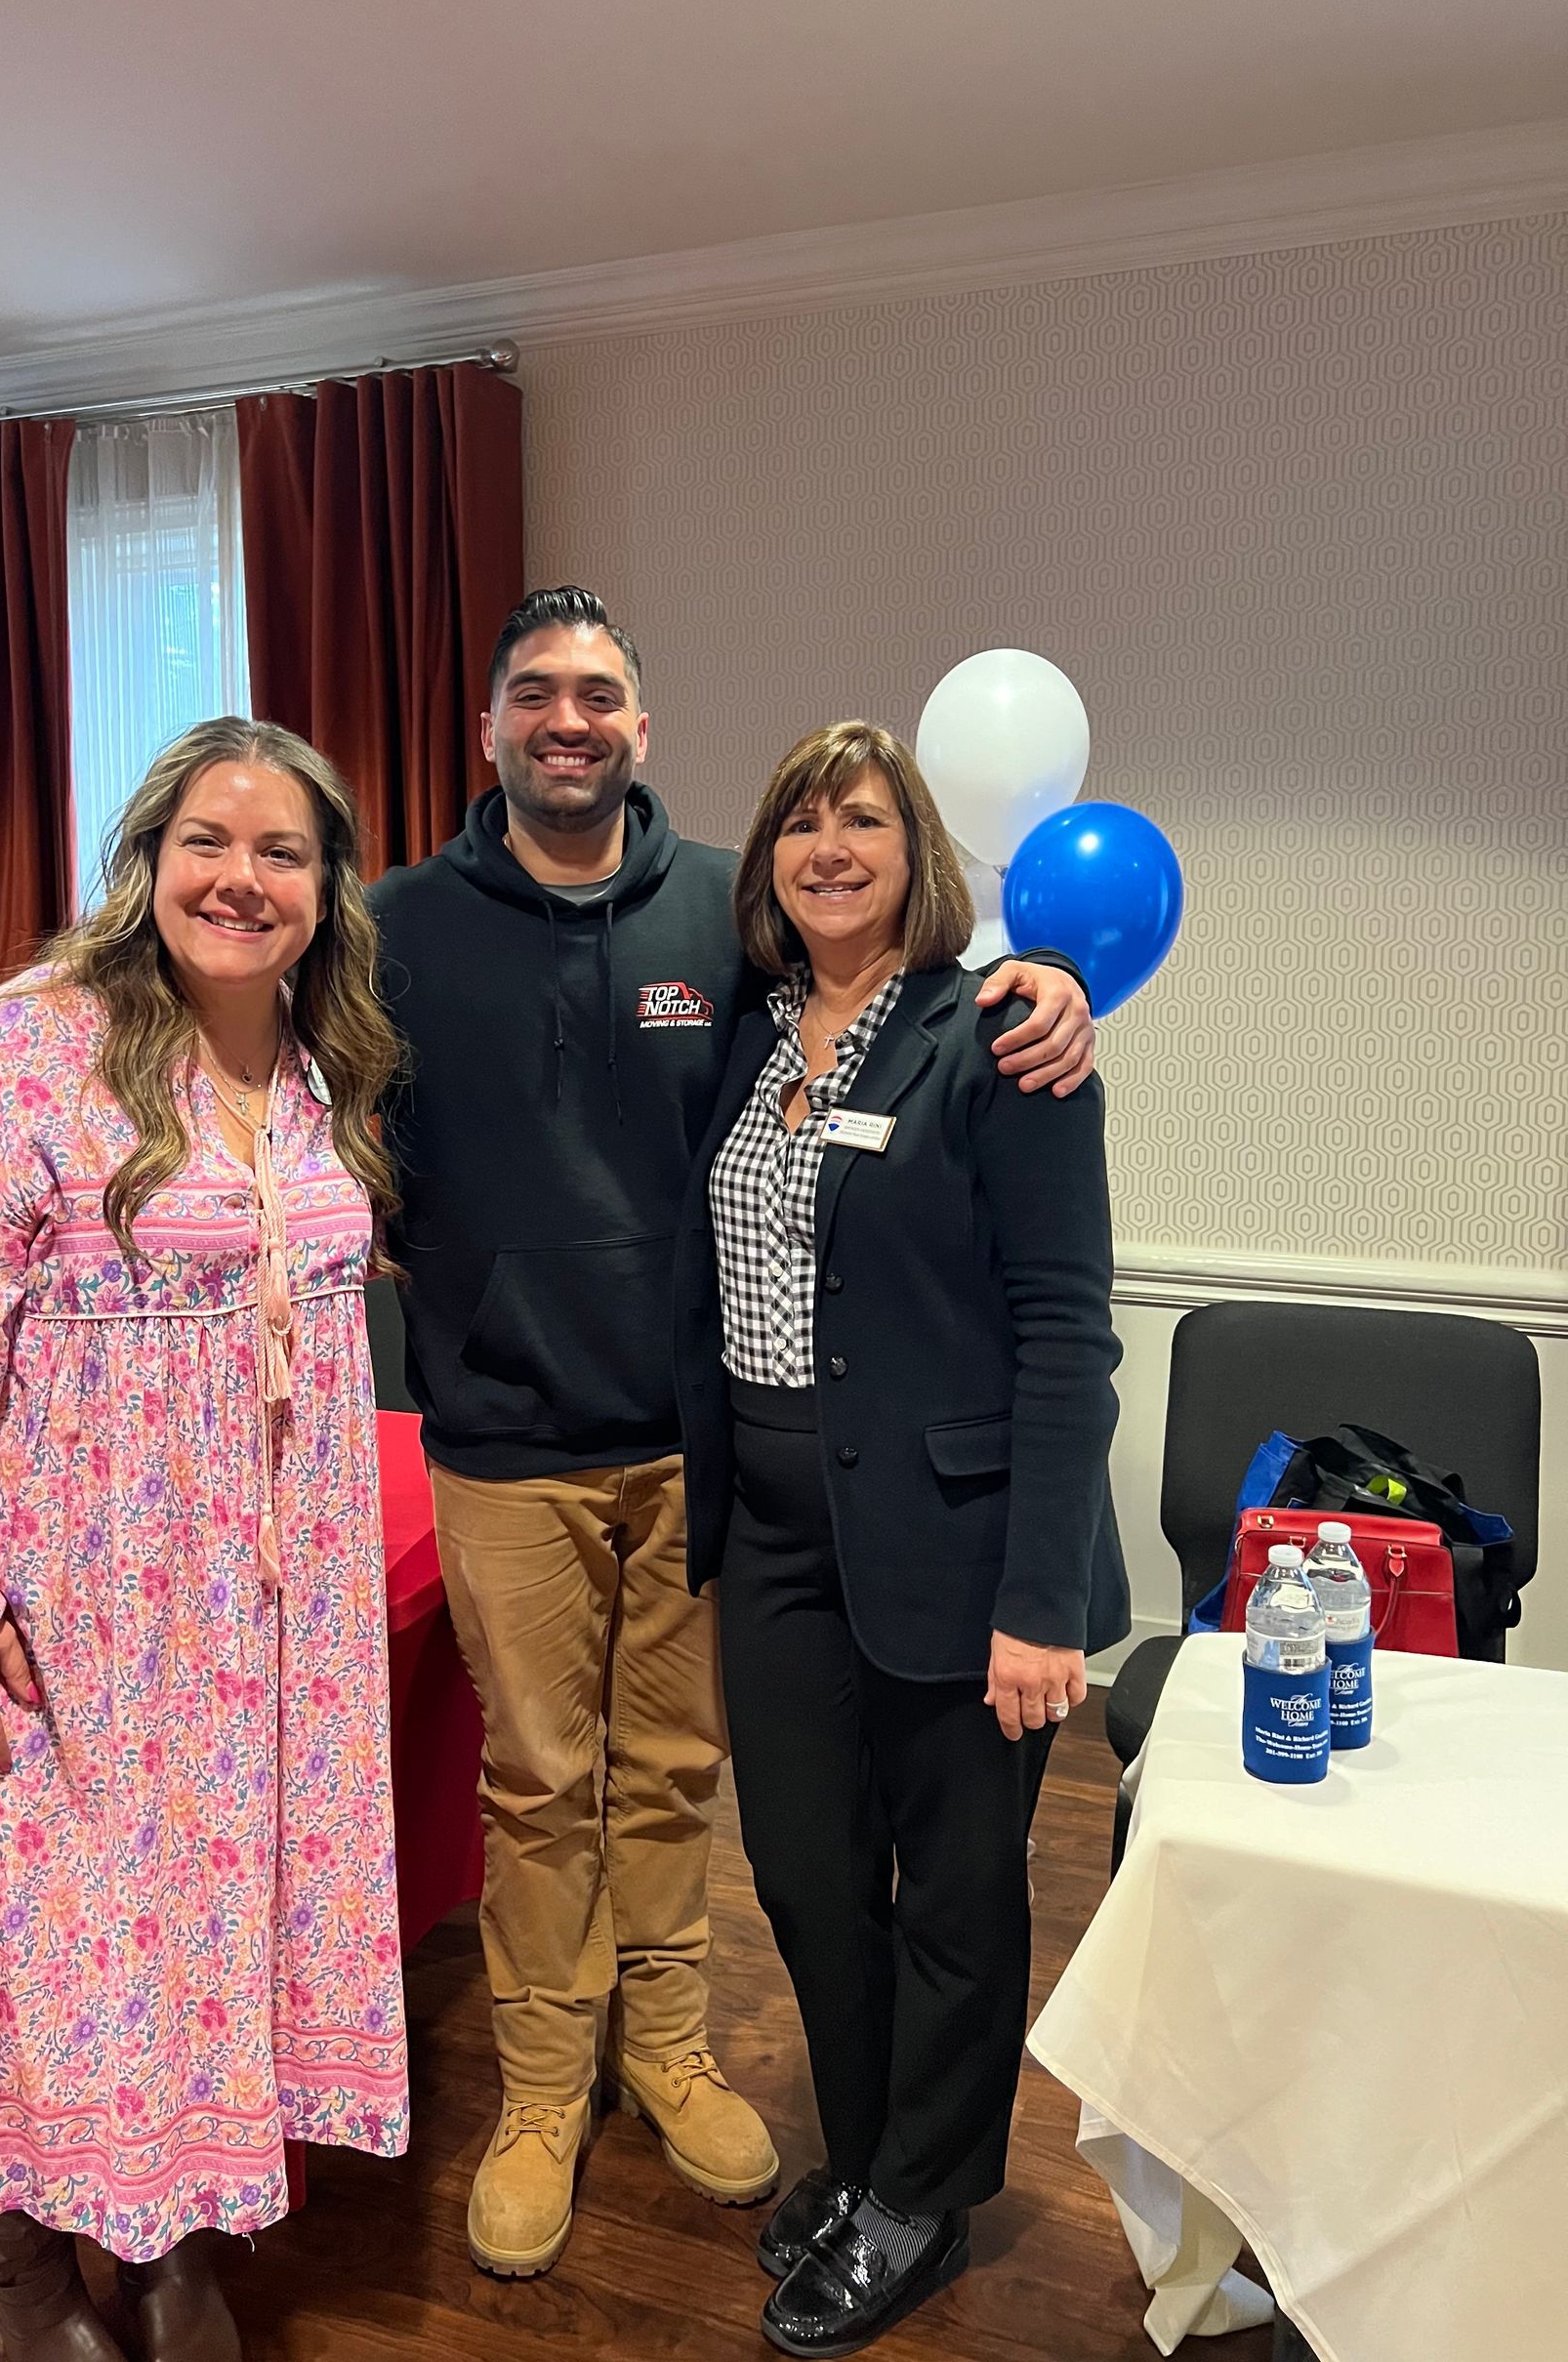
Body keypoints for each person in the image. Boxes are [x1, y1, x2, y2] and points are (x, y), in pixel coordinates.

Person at [0, 587, 1097, 2285]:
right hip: (497, 1441)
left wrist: (1034, 982)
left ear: (642, 724)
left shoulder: (721, 919)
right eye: (535, 692)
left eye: (600, 692)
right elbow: (196, 989)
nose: (569, 720)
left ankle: (668, 2052)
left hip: (704, 1446)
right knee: (539, 1786)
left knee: (679, 1777)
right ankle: (545, 2088)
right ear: (489, 729)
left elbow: (878, 993)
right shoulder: (384, 923)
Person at [0, 720, 409, 2362]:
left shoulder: (314, 1062)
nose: (242, 877)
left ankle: (159, 2230)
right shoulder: (23, 1057)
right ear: (147, 865)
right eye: (207, 842)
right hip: (63, 1601)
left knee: (182, 1940)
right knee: (38, 1931)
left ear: (323, 891)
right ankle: (20, 2257)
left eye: (282, 851)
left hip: (247, 1612)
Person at [673, 721, 1127, 2357]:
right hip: (779, 1537)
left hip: (957, 1538)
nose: (827, 845)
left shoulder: (997, 1031)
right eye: (798, 818)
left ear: (917, 850)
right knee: (800, 1875)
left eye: (861, 817)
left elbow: (1069, 1330)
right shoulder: (751, 1027)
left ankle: (922, 2199)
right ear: (769, 861)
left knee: (951, 1893)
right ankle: (864, 2156)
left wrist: (1039, 1598)